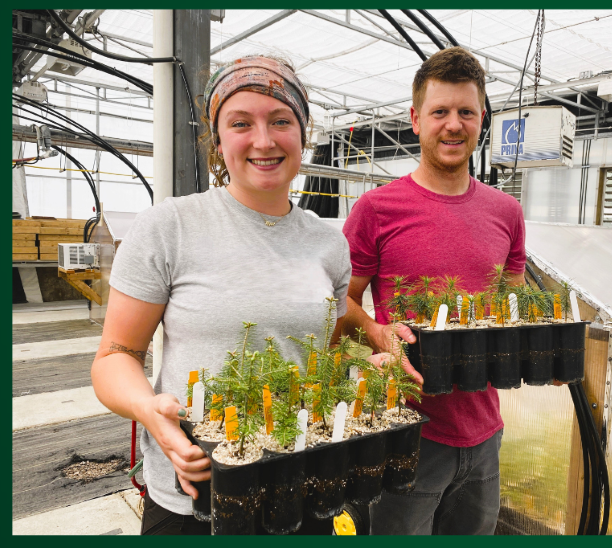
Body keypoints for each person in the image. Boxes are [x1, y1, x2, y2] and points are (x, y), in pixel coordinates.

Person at [90, 56, 351, 535]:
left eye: (280, 121)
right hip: (197, 493)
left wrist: (359, 369)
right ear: (218, 140)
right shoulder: (169, 227)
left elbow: (319, 357)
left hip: (301, 483)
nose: (264, 140)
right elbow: (115, 355)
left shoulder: (329, 243)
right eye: (240, 123)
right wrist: (149, 409)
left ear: (303, 132)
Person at [340, 47, 526, 535]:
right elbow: (339, 303)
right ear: (416, 119)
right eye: (440, 111)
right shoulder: (377, 210)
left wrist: (532, 352)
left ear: (482, 119)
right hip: (406, 431)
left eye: (466, 112)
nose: (453, 124)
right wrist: (379, 337)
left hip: (486, 432)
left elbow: (514, 309)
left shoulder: (506, 212)